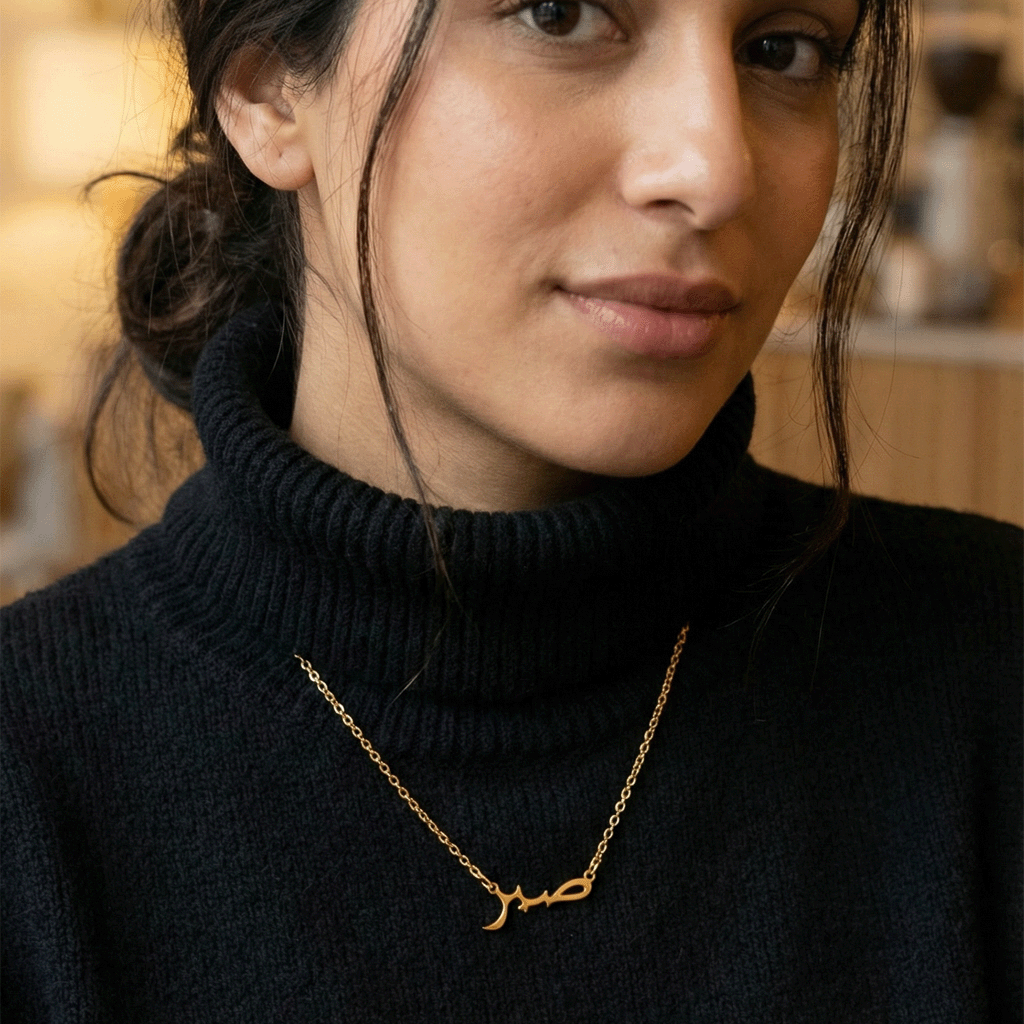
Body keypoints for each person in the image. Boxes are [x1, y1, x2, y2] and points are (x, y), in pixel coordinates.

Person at [2, 0, 1020, 1019]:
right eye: (560, 14)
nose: (716, 171)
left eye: (781, 50)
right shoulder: (33, 777)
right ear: (267, 88)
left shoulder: (989, 673)